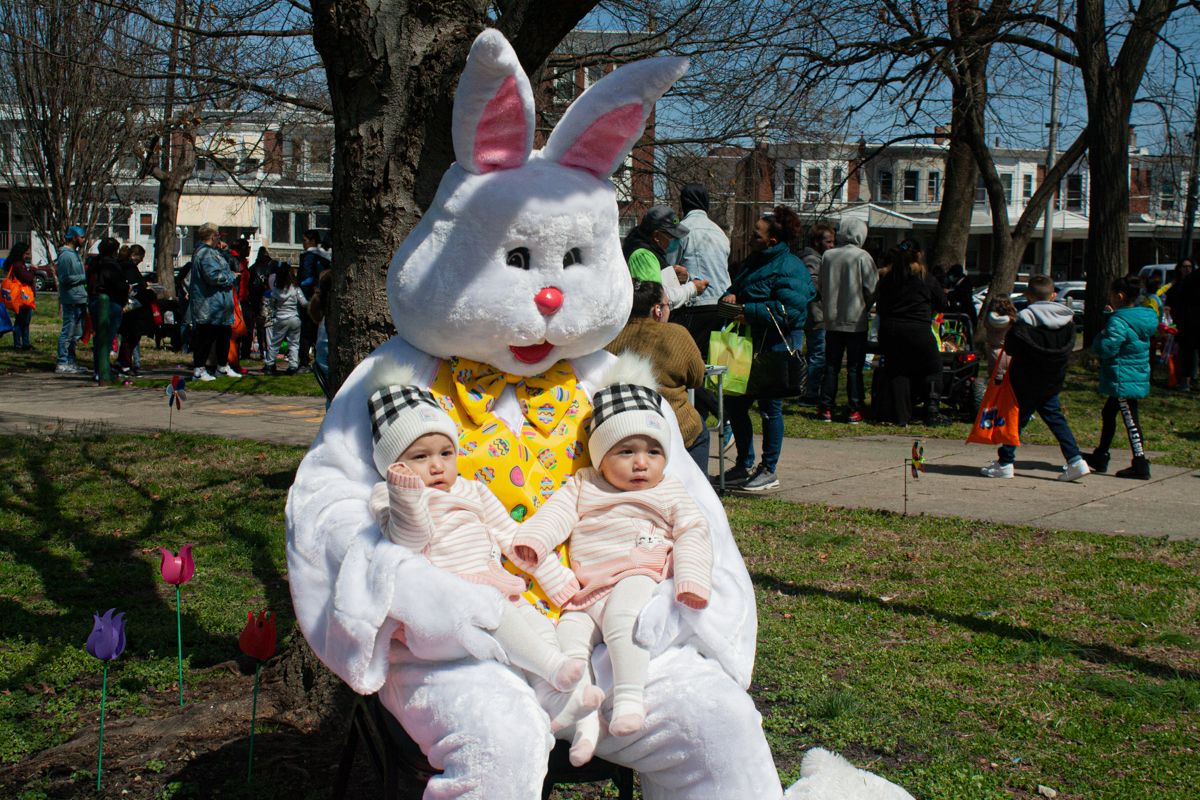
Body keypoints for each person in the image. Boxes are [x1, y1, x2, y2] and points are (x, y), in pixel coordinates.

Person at [510, 358, 711, 754]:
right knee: (566, 642)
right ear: (600, 456)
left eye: (653, 451)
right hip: (586, 590)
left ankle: (629, 699)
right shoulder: (585, 483)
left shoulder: (667, 490)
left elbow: (693, 529)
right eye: (626, 451)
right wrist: (534, 541)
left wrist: (690, 578)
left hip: (637, 570)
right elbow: (558, 512)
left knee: (624, 621)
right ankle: (581, 716)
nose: (641, 462)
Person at [365, 376, 597, 701]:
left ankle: (556, 702)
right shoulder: (388, 497)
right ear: (395, 466)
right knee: (495, 613)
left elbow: (511, 536)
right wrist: (405, 495)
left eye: (446, 453)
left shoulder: (471, 489)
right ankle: (552, 667)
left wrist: (555, 577)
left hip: (493, 584)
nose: (436, 466)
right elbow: (409, 540)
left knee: (535, 622)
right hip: (448, 598)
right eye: (420, 457)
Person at [720, 206, 815, 491]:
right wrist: (731, 294)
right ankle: (743, 464)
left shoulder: (790, 267)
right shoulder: (755, 261)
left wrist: (747, 310)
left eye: (755, 234)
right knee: (735, 404)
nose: (750, 238)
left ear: (772, 239)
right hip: (748, 343)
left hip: (775, 345)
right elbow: (740, 287)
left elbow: (792, 312)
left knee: (770, 408)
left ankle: (769, 469)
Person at [980, 275, 1089, 481]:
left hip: (1026, 379)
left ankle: (1005, 463)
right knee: (1056, 420)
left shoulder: (1024, 320)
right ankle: (1075, 459)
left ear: (1029, 295)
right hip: (1052, 379)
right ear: (1053, 295)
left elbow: (1011, 348)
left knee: (1016, 420)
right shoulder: (1067, 321)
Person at [605, 280, 709, 473]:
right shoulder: (677, 334)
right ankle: (698, 491)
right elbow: (697, 378)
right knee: (698, 429)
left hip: (623, 426)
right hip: (675, 426)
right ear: (657, 310)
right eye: (667, 305)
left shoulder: (609, 336)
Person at [670, 184, 731, 445]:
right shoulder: (719, 232)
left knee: (686, 370)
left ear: (683, 202)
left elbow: (670, 267)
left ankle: (724, 417)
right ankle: (700, 423)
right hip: (721, 304)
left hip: (695, 303)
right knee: (706, 367)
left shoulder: (683, 230)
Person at [1083, 275, 1158, 479]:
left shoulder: (1118, 320)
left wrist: (1102, 334)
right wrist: (1111, 319)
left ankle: (1140, 463)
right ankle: (1101, 455)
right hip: (1134, 373)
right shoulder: (1141, 317)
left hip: (1122, 376)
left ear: (1119, 296)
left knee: (1130, 419)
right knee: (1109, 413)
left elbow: (1107, 348)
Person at [872, 240, 949, 426]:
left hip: (891, 329)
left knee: (899, 370)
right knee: (933, 367)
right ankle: (931, 409)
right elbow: (942, 303)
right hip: (917, 329)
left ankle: (901, 415)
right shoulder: (925, 278)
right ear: (919, 255)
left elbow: (880, 305)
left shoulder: (888, 278)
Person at [818, 217, 878, 423]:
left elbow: (822, 286)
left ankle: (826, 407)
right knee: (854, 367)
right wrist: (866, 305)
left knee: (831, 365)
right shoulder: (863, 257)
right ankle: (854, 408)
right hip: (856, 319)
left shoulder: (828, 256)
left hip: (832, 319)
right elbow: (872, 289)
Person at [621, 206, 706, 308]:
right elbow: (655, 299)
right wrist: (692, 288)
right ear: (656, 236)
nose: (677, 240)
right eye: (673, 236)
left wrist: (672, 275)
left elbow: (657, 283)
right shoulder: (642, 256)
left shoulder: (652, 251)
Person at [187, 223, 240, 381]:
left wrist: (224, 251)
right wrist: (232, 276)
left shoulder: (212, 252)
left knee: (224, 335)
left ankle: (222, 367)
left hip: (220, 305)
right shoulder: (205, 254)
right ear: (212, 236)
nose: (219, 238)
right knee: (205, 337)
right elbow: (213, 277)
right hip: (209, 304)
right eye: (217, 235)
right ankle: (199, 370)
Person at [797, 222, 835, 406]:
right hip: (816, 314)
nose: (831, 246)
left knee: (816, 354)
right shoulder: (812, 260)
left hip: (816, 314)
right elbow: (811, 285)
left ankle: (810, 391)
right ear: (816, 241)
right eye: (828, 242)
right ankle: (810, 394)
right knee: (818, 355)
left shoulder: (815, 258)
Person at [85, 237, 128, 383]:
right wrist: (124, 298)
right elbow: (119, 286)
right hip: (110, 302)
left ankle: (99, 369)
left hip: (94, 300)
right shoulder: (112, 265)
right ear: (114, 251)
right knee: (107, 337)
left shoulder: (93, 263)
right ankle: (102, 371)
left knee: (99, 337)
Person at [262, 261, 307, 375]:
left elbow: (271, 304)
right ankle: (293, 366)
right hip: (294, 318)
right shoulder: (296, 288)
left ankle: (269, 364)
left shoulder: (276, 290)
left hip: (281, 318)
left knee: (274, 343)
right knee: (294, 343)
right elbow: (304, 303)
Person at [55, 225, 89, 374]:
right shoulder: (65, 255)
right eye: (81, 237)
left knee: (76, 333)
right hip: (71, 299)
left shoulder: (75, 254)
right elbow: (64, 278)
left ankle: (71, 360)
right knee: (67, 332)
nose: (83, 240)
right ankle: (62, 362)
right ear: (74, 237)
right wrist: (84, 277)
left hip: (80, 298)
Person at [297, 229, 331, 370]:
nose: (303, 244)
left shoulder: (309, 257)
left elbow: (306, 279)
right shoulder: (325, 257)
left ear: (312, 241)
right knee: (321, 332)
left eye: (304, 240)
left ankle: (305, 361)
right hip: (323, 297)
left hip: (311, 299)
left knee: (306, 332)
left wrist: (305, 296)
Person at [117, 244, 153, 375]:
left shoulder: (125, 267)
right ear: (133, 256)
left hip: (130, 307)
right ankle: (124, 364)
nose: (142, 261)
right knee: (130, 337)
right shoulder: (128, 268)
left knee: (129, 338)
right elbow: (135, 286)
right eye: (141, 257)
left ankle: (125, 362)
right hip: (131, 308)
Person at [1166, 258, 1198, 391]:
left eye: (1190, 266)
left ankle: (1193, 379)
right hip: (1183, 323)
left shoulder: (1196, 283)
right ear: (1179, 268)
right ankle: (1185, 380)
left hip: (1196, 322)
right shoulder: (1175, 286)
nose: (1187, 269)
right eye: (1184, 266)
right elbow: (1171, 303)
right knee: (1186, 353)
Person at [3, 241, 36, 351]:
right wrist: (32, 270)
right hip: (22, 297)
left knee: (24, 321)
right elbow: (28, 278)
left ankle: (24, 343)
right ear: (20, 253)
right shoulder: (18, 265)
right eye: (26, 253)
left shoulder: (16, 264)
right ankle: (19, 344)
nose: (27, 256)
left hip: (21, 297)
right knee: (21, 322)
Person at [248, 245, 274, 358]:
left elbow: (249, 284)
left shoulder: (254, 267)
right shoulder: (271, 265)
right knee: (269, 325)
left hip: (257, 298)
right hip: (269, 297)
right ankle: (269, 350)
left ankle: (263, 350)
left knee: (260, 326)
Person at [982, 295, 1018, 375]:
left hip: (993, 351)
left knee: (995, 380)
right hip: (1010, 352)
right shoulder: (1013, 320)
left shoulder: (988, 319)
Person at [944, 263, 977, 328]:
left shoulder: (965, 283)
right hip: (954, 313)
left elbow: (963, 295)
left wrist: (949, 292)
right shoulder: (952, 283)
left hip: (965, 313)